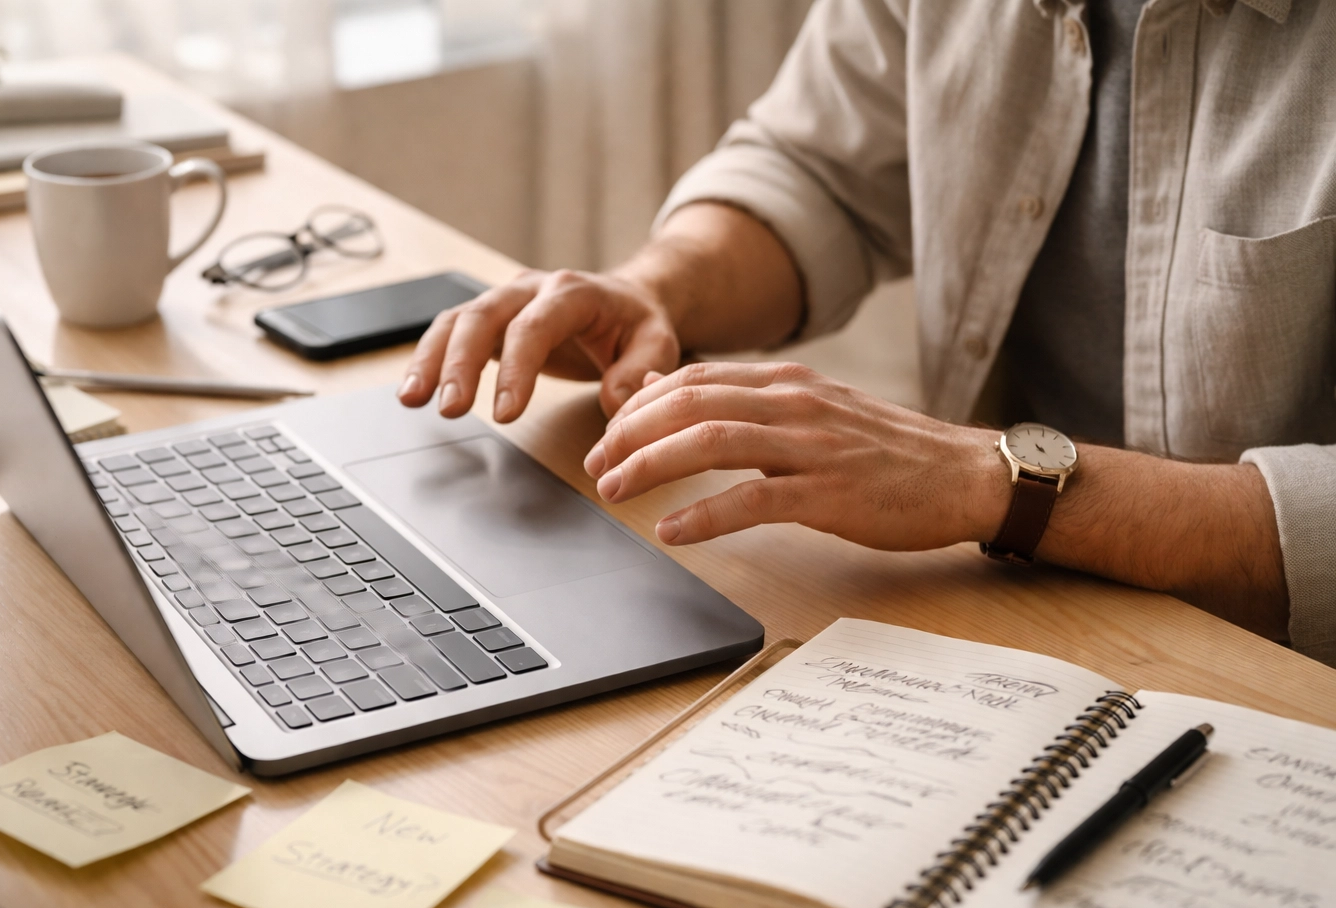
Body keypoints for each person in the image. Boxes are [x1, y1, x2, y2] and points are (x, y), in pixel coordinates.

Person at [397, 0, 1336, 668]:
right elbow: (820, 171)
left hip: (1274, 668)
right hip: (1010, 606)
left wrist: (995, 483)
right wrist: (657, 289)